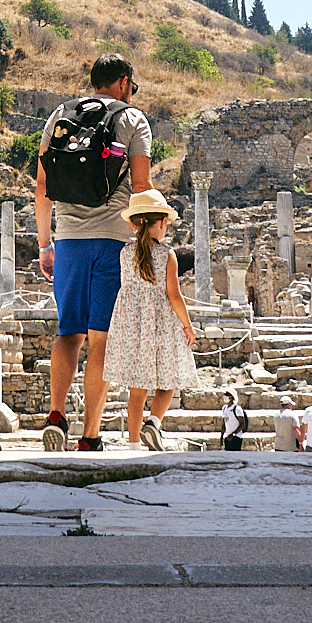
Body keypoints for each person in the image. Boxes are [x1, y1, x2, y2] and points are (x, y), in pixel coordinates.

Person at [35, 54, 152, 452]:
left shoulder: (59, 116)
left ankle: (55, 414)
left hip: (67, 240)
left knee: (68, 333)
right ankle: (90, 436)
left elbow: (41, 188)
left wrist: (45, 244)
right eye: (132, 88)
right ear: (123, 82)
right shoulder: (133, 121)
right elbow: (141, 188)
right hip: (114, 242)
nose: (132, 94)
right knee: (100, 340)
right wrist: (147, 245)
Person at [104, 188, 199, 450]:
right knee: (167, 381)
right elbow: (174, 296)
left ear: (134, 224)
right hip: (161, 325)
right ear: (162, 222)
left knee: (137, 390)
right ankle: (154, 423)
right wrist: (187, 326)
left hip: (132, 326)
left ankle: (134, 444)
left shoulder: (125, 253)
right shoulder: (167, 254)